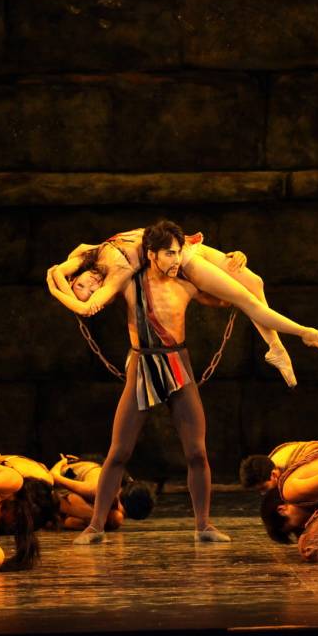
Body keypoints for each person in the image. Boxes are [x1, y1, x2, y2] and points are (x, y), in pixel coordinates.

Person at [71, 221, 231, 545]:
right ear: (151, 254)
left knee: (197, 451)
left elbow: (224, 298)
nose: (175, 259)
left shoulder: (185, 283)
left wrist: (234, 267)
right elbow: (91, 284)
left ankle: (203, 525)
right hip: (143, 365)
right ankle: (95, 526)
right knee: (119, 451)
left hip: (177, 365)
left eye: (178, 252)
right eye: (168, 253)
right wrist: (67, 283)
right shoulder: (131, 282)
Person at [47, 223, 318, 388]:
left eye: (81, 285)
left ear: (76, 276)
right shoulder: (116, 275)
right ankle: (305, 333)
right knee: (247, 300)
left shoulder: (89, 255)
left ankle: (275, 348)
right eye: (90, 291)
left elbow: (60, 268)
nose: (90, 286)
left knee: (255, 282)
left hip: (184, 244)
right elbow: (85, 308)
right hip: (182, 259)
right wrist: (58, 291)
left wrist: (57, 278)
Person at [49, 454, 155, 530]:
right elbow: (54, 477)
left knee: (115, 518)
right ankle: (59, 520)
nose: (125, 516)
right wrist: (61, 463)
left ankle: (70, 520)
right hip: (59, 488)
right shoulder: (96, 488)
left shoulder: (127, 483)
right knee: (115, 519)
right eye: (126, 513)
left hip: (84, 487)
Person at [239, 440, 318, 492]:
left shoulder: (296, 472)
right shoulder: (270, 463)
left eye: (264, 488)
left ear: (274, 475)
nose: (263, 493)